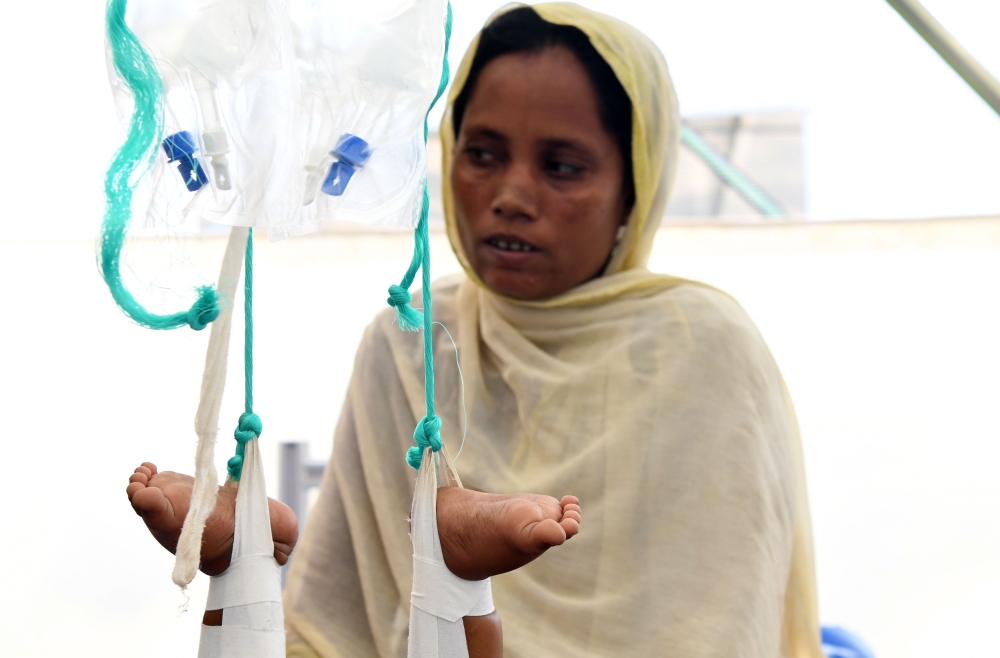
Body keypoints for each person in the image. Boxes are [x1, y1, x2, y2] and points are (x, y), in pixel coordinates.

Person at [127, 3, 824, 657]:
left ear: (634, 189)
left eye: (562, 166)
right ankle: (241, 569)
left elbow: (720, 629)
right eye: (483, 154)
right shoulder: (410, 342)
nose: (513, 197)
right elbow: (333, 629)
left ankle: (451, 588)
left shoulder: (701, 345)